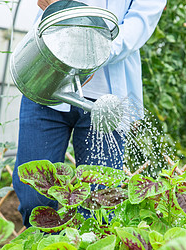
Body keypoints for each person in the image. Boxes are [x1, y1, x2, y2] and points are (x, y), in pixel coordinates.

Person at [12, 0, 166, 227]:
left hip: (107, 100)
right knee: (34, 197)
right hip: (46, 80)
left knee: (99, 204)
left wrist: (91, 53)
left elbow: (139, 22)